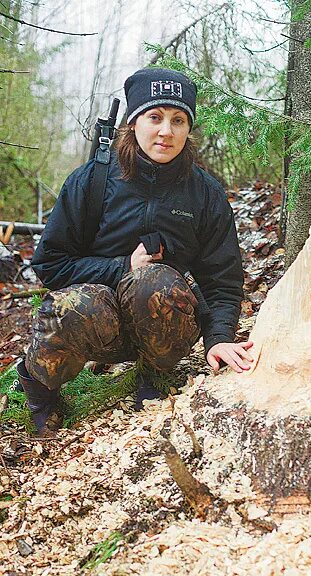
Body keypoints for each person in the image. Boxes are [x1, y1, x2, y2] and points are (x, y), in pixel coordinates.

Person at [18, 67, 253, 436]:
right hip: (95, 323)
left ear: (189, 129)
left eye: (178, 120)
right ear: (133, 122)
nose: (166, 131)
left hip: (159, 321)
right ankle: (40, 390)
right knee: (77, 304)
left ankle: (154, 374)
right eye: (154, 117)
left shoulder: (204, 192)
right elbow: (50, 264)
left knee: (155, 282)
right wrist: (122, 267)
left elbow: (222, 278)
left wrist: (219, 338)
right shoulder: (91, 180)